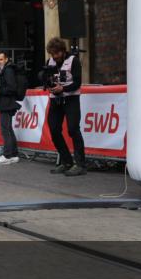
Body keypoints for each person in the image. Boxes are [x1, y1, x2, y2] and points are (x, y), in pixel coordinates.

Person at [43, 37, 86, 176]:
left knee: (73, 129)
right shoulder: (50, 62)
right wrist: (47, 84)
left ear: (62, 51)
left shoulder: (73, 60)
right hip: (55, 99)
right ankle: (66, 161)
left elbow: (77, 83)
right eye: (52, 54)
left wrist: (63, 89)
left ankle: (80, 164)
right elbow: (46, 80)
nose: (54, 57)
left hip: (71, 98)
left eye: (56, 54)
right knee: (54, 129)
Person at [0, 51, 21, 166]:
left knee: (5, 129)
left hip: (7, 103)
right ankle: (13, 154)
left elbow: (12, 88)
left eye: (1, 59)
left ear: (6, 59)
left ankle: (7, 155)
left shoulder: (7, 70)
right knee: (8, 129)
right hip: (5, 102)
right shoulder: (3, 70)